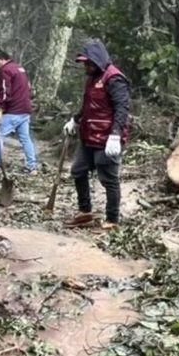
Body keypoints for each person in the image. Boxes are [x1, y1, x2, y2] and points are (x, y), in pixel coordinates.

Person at [63, 40, 130, 229]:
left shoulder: (114, 79)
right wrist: (75, 120)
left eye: (88, 62)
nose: (85, 66)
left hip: (107, 138)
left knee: (108, 178)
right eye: (84, 63)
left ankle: (112, 219)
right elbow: (88, 106)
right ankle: (85, 212)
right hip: (88, 135)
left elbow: (122, 109)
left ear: (97, 60)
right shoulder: (92, 79)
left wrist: (115, 135)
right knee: (78, 170)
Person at [0, 50, 38, 174]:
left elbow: (4, 92)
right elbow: (28, 88)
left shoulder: (5, 71)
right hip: (25, 110)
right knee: (25, 139)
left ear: (0, 60)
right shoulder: (20, 68)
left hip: (13, 111)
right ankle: (32, 166)